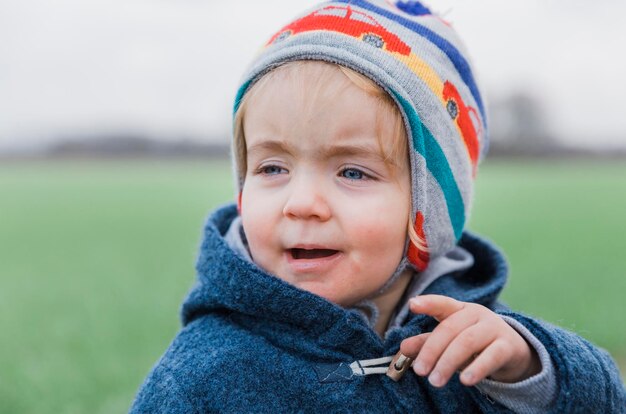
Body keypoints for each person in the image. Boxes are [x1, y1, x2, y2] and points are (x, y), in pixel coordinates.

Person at [130, 1, 626, 412]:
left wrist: (529, 368)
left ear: (427, 212)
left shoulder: (477, 347)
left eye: (352, 172)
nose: (301, 203)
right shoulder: (202, 377)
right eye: (272, 168)